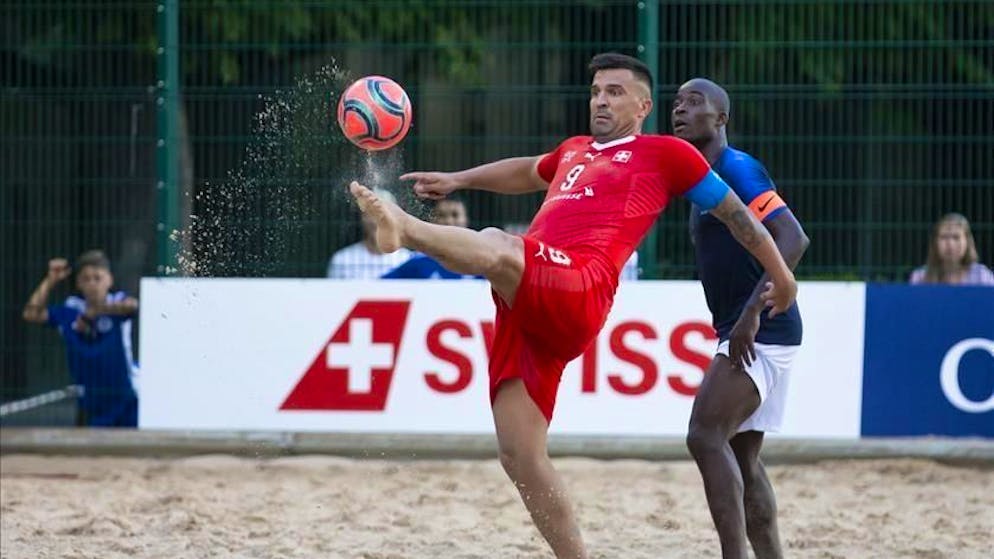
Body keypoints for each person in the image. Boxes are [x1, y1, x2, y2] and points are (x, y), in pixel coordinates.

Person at [348, 53, 798, 559]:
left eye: (615, 92)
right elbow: (524, 171)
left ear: (643, 104)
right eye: (596, 91)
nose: (601, 100)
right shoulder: (574, 150)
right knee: (519, 453)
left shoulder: (667, 153)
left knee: (501, 244)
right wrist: (458, 180)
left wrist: (782, 278)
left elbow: (739, 217)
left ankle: (403, 228)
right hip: (526, 305)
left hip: (579, 284)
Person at [672, 77, 809, 559]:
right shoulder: (700, 179)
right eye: (677, 102)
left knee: (704, 435)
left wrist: (752, 312)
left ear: (721, 118)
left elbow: (792, 237)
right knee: (744, 457)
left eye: (695, 102)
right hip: (749, 326)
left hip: (761, 327)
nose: (681, 109)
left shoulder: (737, 167)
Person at [21, 250, 140, 427]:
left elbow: (133, 306)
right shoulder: (71, 310)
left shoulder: (118, 303)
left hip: (125, 395)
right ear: (78, 283)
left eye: (97, 278)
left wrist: (96, 312)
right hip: (91, 399)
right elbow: (31, 313)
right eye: (86, 279)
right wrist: (50, 280)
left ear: (109, 280)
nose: (92, 284)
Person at [381, 198, 480, 279]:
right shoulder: (418, 262)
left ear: (466, 220)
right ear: (433, 221)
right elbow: (381, 285)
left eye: (455, 215)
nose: (449, 221)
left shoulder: (480, 262)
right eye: (442, 215)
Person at [326, 188, 412, 279]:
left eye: (384, 215)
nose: (377, 221)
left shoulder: (407, 260)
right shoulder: (342, 261)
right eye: (371, 213)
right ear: (362, 218)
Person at [909, 213, 994, 285]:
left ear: (967, 242)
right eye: (944, 237)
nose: (950, 244)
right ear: (935, 242)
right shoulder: (920, 277)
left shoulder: (982, 276)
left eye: (956, 237)